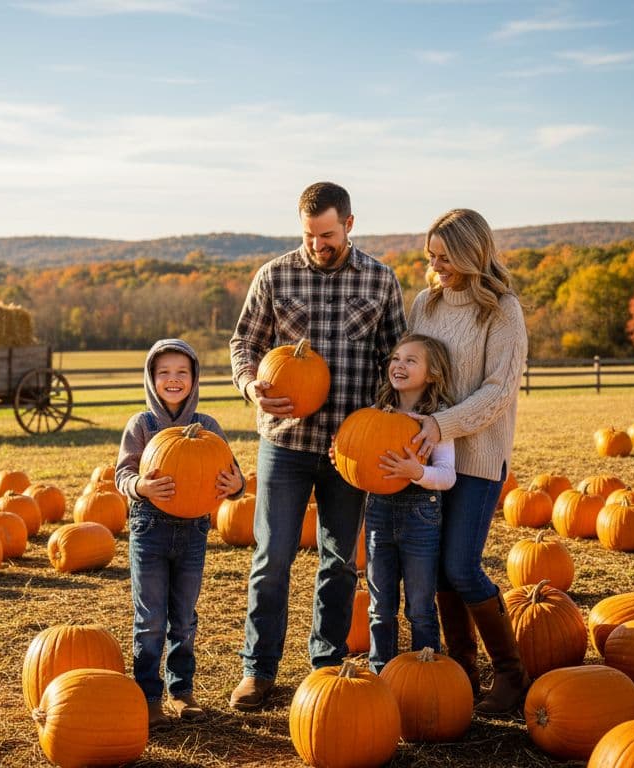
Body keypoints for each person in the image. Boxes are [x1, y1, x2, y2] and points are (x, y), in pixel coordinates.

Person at [227, 181, 407, 710]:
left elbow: (394, 359)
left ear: (349, 224)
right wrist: (250, 385)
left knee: (338, 561)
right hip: (284, 442)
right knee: (271, 556)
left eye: (326, 234)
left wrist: (382, 420)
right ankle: (257, 670)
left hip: (351, 450)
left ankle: (324, 667)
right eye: (308, 234)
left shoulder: (380, 280)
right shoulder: (274, 275)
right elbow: (245, 343)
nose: (317, 244)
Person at [404, 208, 528, 714]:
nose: (437, 266)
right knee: (435, 570)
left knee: (460, 564)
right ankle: (461, 671)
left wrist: (441, 424)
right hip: (429, 457)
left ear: (474, 254)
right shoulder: (423, 304)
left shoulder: (502, 310)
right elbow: (411, 367)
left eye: (446, 257)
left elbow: (499, 391)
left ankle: (511, 671)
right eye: (431, 256)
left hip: (478, 457)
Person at [115, 338, 245, 727]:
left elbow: (233, 477)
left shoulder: (207, 427)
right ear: (151, 378)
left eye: (181, 373)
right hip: (149, 530)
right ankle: (148, 695)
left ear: (194, 379)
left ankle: (181, 691)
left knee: (184, 617)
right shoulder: (142, 425)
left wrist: (234, 486)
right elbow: (122, 474)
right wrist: (142, 486)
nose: (173, 380)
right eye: (164, 372)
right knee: (150, 618)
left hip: (193, 533)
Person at [360, 333, 457, 673]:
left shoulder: (436, 420)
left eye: (410, 360)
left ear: (432, 374)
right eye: (396, 358)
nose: (399, 365)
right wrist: (343, 455)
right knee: (380, 604)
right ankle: (381, 672)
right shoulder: (376, 412)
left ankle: (425, 674)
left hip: (421, 514)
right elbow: (361, 460)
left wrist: (417, 471)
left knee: (419, 606)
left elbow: (447, 476)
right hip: (379, 512)